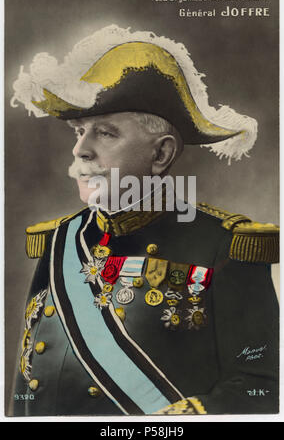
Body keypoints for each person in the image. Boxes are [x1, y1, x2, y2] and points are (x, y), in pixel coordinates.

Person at [10, 25, 279, 416]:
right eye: (79, 132)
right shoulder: (60, 241)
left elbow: (260, 389)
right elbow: (28, 386)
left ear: (160, 155)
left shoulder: (223, 245)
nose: (80, 150)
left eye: (104, 133)